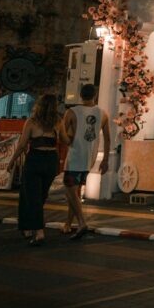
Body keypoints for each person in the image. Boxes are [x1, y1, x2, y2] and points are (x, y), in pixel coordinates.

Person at [6, 94, 61, 246]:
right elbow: (63, 140)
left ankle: (38, 232)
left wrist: (11, 162)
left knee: (30, 196)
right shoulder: (57, 123)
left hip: (35, 160)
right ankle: (30, 227)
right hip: (51, 161)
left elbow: (22, 145)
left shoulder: (31, 122)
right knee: (40, 197)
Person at [62, 83, 109, 241]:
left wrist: (68, 140)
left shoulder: (71, 112)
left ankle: (81, 222)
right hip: (90, 159)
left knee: (70, 191)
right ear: (95, 95)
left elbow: (62, 135)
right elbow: (108, 138)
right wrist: (106, 159)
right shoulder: (103, 114)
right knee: (74, 193)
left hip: (74, 157)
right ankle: (68, 223)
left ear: (80, 95)